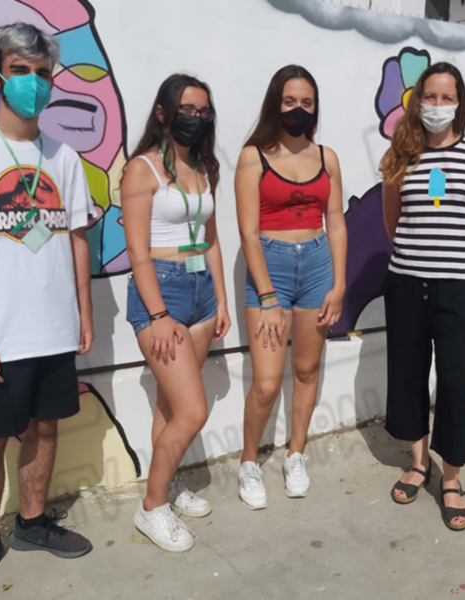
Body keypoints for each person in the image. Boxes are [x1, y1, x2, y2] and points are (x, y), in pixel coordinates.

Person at [0, 23, 94, 595]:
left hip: (53, 330)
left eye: (41, 73)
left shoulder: (65, 157)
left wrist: (83, 312)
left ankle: (32, 524)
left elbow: (78, 239)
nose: (32, 83)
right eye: (19, 71)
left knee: (46, 428)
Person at [380, 62, 465, 532]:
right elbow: (393, 222)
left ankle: (451, 477)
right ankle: (418, 462)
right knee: (408, 375)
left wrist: (462, 262)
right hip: (407, 284)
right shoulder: (401, 155)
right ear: (416, 102)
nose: (436, 106)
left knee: (453, 384)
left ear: (459, 104)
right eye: (428, 97)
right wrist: (418, 257)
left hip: (459, 288)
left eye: (446, 97)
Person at [121, 74, 230, 552]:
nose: (197, 118)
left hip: (202, 292)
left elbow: (210, 239)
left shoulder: (203, 168)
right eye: (187, 109)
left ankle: (165, 485)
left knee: (170, 407)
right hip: (161, 293)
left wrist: (222, 300)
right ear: (163, 112)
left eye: (204, 111)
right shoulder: (141, 169)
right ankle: (151, 507)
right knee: (192, 410)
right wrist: (159, 313)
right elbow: (138, 252)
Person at [235, 65, 347, 509]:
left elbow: (335, 220)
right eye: (289, 101)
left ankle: (295, 454)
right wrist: (266, 297)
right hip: (271, 268)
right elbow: (247, 232)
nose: (298, 110)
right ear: (274, 104)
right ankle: (248, 462)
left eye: (306, 102)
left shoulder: (328, 157)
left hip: (318, 264)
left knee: (305, 371)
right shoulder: (252, 156)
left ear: (314, 107)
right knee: (266, 382)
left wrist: (339, 283)